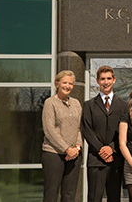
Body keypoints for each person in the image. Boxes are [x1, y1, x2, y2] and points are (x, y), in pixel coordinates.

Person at [81, 66, 128, 202]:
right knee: (94, 198)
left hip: (116, 159)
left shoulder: (124, 105)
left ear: (114, 80)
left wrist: (111, 148)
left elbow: (124, 131)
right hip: (96, 160)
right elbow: (87, 130)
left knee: (114, 198)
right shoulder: (89, 105)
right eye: (102, 79)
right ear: (97, 81)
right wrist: (101, 149)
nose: (105, 82)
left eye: (108, 78)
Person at [42, 70, 82, 202]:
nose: (68, 86)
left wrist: (77, 147)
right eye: (65, 82)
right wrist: (67, 149)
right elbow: (49, 130)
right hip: (53, 155)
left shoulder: (76, 103)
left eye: (70, 83)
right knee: (51, 193)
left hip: (74, 155)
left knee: (69, 194)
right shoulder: (50, 103)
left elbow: (79, 127)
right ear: (57, 83)